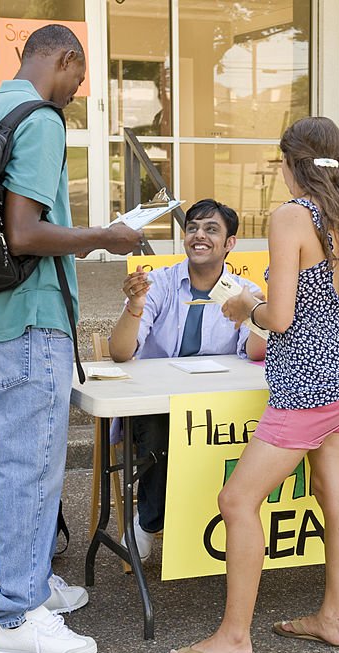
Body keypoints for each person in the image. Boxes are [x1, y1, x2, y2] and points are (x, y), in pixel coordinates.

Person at [155, 116, 339, 653]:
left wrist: (245, 308)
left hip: (308, 384)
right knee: (337, 497)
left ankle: (234, 636)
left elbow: (280, 318)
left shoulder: (293, 216)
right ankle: (334, 617)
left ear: (291, 164)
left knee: (237, 501)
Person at [0, 25, 142, 653]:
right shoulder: (39, 120)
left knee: (27, 462)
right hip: (31, 317)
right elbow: (24, 232)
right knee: (29, 469)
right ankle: (17, 618)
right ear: (64, 59)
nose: (77, 91)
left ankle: (32, 587)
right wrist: (104, 236)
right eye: (79, 76)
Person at [108, 199, 266, 560]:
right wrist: (135, 304)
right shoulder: (159, 283)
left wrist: (257, 312)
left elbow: (256, 353)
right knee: (162, 430)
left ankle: (217, 520)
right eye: (193, 228)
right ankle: (149, 521)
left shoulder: (243, 289)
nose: (199, 236)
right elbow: (120, 352)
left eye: (211, 230)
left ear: (230, 243)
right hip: (158, 406)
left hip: (221, 404)